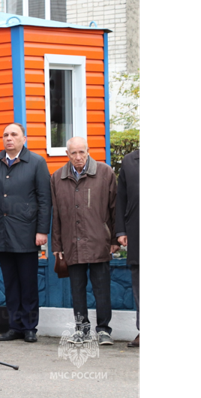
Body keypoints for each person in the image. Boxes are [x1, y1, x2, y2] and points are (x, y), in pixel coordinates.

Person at [0, 123, 51, 343]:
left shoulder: (37, 162)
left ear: (24, 138)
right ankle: (14, 326)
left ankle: (30, 327)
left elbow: (44, 199)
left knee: (28, 282)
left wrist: (42, 230)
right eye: (5, 135)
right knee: (10, 282)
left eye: (14, 134)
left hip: (27, 232)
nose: (9, 138)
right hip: (1, 231)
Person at [51, 137, 119, 346]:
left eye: (82, 152)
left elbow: (114, 207)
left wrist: (115, 237)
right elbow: (56, 215)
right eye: (74, 153)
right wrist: (57, 246)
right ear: (67, 154)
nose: (78, 157)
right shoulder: (57, 177)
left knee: (101, 288)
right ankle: (81, 329)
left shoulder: (105, 172)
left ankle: (104, 330)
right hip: (72, 242)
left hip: (100, 240)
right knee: (77, 289)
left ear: (88, 151)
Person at [115, 149, 140, 348]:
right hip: (136, 232)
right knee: (139, 285)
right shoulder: (130, 161)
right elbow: (121, 198)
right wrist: (121, 230)